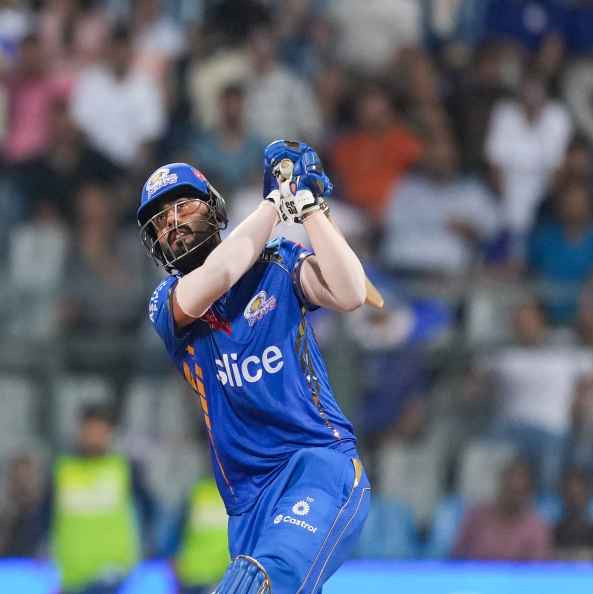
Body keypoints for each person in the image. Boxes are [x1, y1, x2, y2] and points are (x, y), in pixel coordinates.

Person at [137, 140, 371, 594]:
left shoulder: (279, 264)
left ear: (213, 209)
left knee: (252, 583)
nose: (172, 224)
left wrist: (309, 205)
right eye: (161, 221)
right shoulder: (167, 302)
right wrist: (274, 202)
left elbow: (351, 293)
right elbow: (221, 275)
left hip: (316, 467)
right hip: (247, 505)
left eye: (182, 207)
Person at [45, 405, 156, 594]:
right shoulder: (62, 470)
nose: (94, 436)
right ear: (80, 431)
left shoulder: (124, 468)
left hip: (115, 575)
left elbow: (150, 510)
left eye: (100, 430)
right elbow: (44, 517)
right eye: (90, 430)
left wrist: (149, 549)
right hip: (73, 577)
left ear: (109, 432)